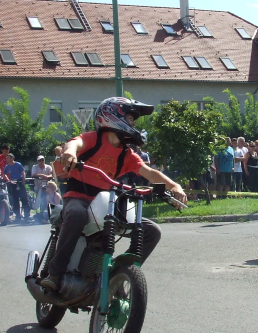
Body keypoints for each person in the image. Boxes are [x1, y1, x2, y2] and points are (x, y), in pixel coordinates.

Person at [40, 97, 187, 292]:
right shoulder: (93, 138)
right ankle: (55, 273)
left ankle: (120, 273)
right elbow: (75, 143)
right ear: (112, 115)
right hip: (78, 197)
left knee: (152, 231)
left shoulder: (126, 154)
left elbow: (149, 173)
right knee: (76, 215)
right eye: (130, 117)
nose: (134, 123)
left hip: (106, 202)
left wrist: (174, 186)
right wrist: (71, 153)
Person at [4, 153, 31, 221]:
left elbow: (23, 172)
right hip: (13, 182)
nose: (7, 159)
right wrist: (8, 180)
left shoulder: (18, 164)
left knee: (24, 198)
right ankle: (17, 215)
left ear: (12, 158)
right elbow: (4, 174)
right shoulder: (7, 166)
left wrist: (23, 181)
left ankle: (27, 214)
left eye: (8, 158)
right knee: (15, 200)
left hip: (19, 181)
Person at [31, 155, 53, 221]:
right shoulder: (35, 167)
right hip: (38, 186)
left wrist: (47, 176)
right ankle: (42, 214)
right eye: (40, 160)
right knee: (41, 200)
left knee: (48, 199)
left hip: (48, 186)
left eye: (42, 160)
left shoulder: (48, 167)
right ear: (37, 161)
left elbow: (52, 174)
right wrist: (42, 175)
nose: (41, 161)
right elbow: (33, 174)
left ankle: (49, 213)